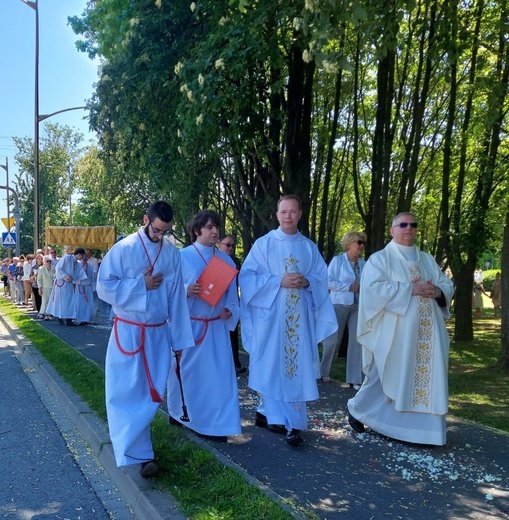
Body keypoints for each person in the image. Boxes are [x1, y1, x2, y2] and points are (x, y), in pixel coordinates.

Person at [96, 201, 195, 477]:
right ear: (145, 220)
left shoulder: (172, 254)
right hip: (128, 330)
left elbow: (176, 298)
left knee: (151, 391)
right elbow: (103, 286)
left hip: (157, 332)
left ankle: (137, 448)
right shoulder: (125, 248)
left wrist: (179, 341)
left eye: (165, 231)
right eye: (157, 230)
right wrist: (140, 285)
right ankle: (141, 454)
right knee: (127, 389)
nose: (160, 236)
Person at [347, 212, 454, 446]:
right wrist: (409, 289)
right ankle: (357, 409)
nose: (409, 228)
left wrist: (437, 291)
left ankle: (426, 432)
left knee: (425, 378)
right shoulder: (380, 259)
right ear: (392, 230)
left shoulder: (426, 259)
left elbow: (446, 284)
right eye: (403, 224)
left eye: (413, 225)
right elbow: (372, 290)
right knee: (383, 375)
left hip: (429, 333)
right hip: (395, 330)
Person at [239, 195, 337, 446]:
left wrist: (307, 282)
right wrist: (277, 282)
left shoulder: (308, 247)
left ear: (300, 214)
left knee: (296, 367)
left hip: (298, 323)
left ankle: (293, 423)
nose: (288, 216)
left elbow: (321, 279)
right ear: (277, 215)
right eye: (284, 212)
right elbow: (247, 278)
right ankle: (270, 414)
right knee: (272, 364)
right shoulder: (264, 244)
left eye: (293, 211)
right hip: (271, 320)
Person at [167, 210, 241, 442]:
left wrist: (230, 310)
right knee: (189, 375)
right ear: (197, 230)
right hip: (190, 326)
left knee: (219, 377)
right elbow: (168, 290)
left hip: (216, 327)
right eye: (209, 227)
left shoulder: (226, 260)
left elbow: (232, 295)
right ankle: (181, 414)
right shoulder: (181, 257)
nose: (214, 231)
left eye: (216, 226)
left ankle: (217, 425)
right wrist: (186, 290)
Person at [319, 231, 367, 389]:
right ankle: (323, 372)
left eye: (362, 243)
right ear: (349, 244)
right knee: (333, 340)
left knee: (357, 341)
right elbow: (328, 281)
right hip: (338, 304)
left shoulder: (364, 264)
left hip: (358, 306)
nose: (361, 246)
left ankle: (355, 379)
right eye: (358, 242)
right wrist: (348, 287)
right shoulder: (338, 261)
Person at [217, 234, 246, 376]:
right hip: (215, 306)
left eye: (232, 245)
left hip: (231, 304)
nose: (230, 248)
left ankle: (235, 363)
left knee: (233, 334)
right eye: (227, 245)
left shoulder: (235, 262)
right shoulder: (213, 260)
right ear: (219, 244)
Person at [46, 247, 87, 325]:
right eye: (82, 255)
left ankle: (69, 319)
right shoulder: (67, 258)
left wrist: (80, 278)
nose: (83, 257)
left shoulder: (76, 263)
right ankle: (60, 318)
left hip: (69, 284)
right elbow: (58, 268)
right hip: (61, 283)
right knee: (60, 301)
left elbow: (79, 273)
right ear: (79, 254)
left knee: (70, 301)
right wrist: (65, 276)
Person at [74, 255, 95, 325]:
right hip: (80, 287)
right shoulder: (78, 265)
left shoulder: (90, 266)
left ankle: (87, 318)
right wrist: (84, 270)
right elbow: (76, 276)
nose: (85, 260)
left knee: (88, 304)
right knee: (80, 303)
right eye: (83, 259)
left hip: (88, 287)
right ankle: (81, 318)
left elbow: (92, 277)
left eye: (86, 259)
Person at [37, 255, 55, 320]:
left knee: (52, 301)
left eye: (50, 261)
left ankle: (49, 314)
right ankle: (42, 313)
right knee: (45, 301)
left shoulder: (54, 268)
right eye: (47, 261)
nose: (49, 262)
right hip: (45, 287)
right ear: (44, 262)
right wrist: (40, 288)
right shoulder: (41, 269)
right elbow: (39, 279)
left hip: (53, 287)